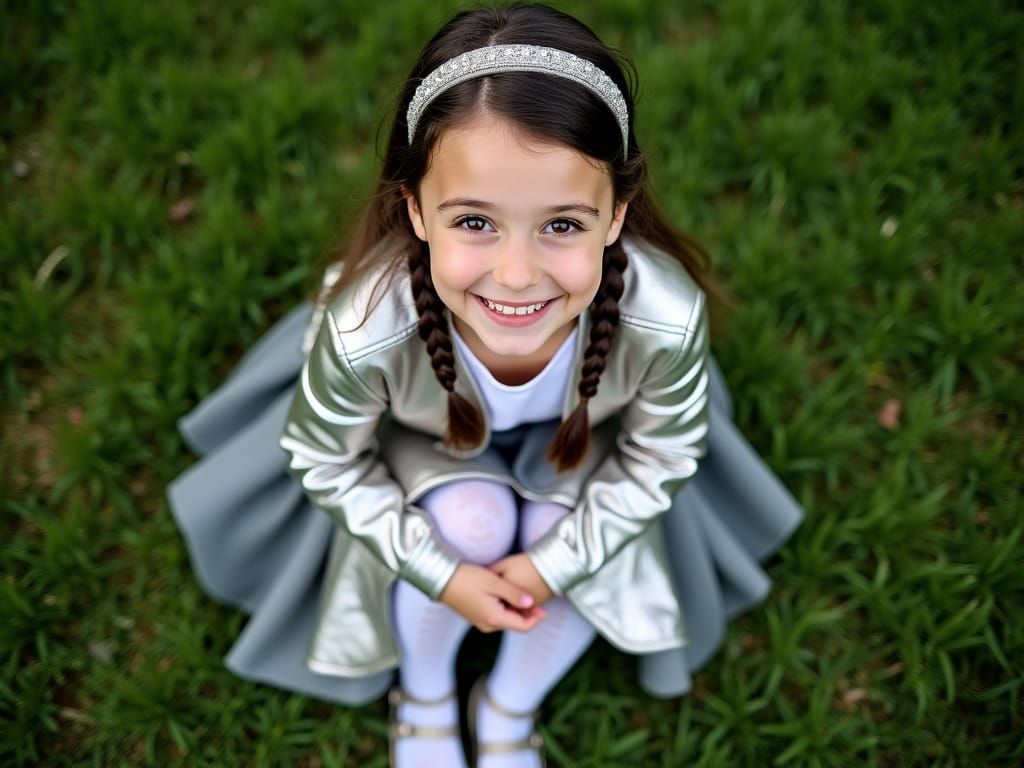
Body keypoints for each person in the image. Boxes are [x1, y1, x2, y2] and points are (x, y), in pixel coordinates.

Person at [168, 5, 803, 767]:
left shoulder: (661, 319)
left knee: (565, 546)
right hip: (422, 443)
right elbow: (328, 460)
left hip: (584, 445)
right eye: (475, 221)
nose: (515, 274)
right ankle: (427, 692)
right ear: (415, 210)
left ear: (615, 216)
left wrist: (551, 565)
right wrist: (443, 574)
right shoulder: (370, 327)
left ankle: (508, 705)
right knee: (470, 520)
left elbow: (662, 458)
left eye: (562, 225)